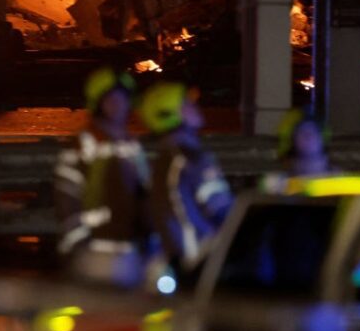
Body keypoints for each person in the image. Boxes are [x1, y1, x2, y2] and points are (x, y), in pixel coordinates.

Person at [54, 68, 152, 287]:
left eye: (123, 99)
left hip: (131, 253)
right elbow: (67, 200)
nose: (118, 105)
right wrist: (80, 247)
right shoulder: (81, 147)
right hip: (95, 254)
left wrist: (150, 243)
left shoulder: (131, 145)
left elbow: (145, 194)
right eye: (110, 99)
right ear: (97, 103)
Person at [140, 82, 232, 277]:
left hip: (176, 262)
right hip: (206, 261)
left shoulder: (163, 160)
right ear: (170, 114)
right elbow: (222, 210)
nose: (195, 107)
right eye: (187, 104)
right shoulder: (191, 159)